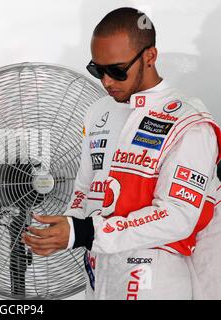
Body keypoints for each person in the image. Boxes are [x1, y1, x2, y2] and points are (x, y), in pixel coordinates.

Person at [22, 7, 221, 299]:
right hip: (99, 273)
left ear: (150, 57)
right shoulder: (97, 112)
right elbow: (84, 189)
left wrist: (85, 232)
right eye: (97, 70)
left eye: (116, 70)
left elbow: (179, 216)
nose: (106, 81)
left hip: (157, 278)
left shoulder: (189, 122)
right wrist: (63, 229)